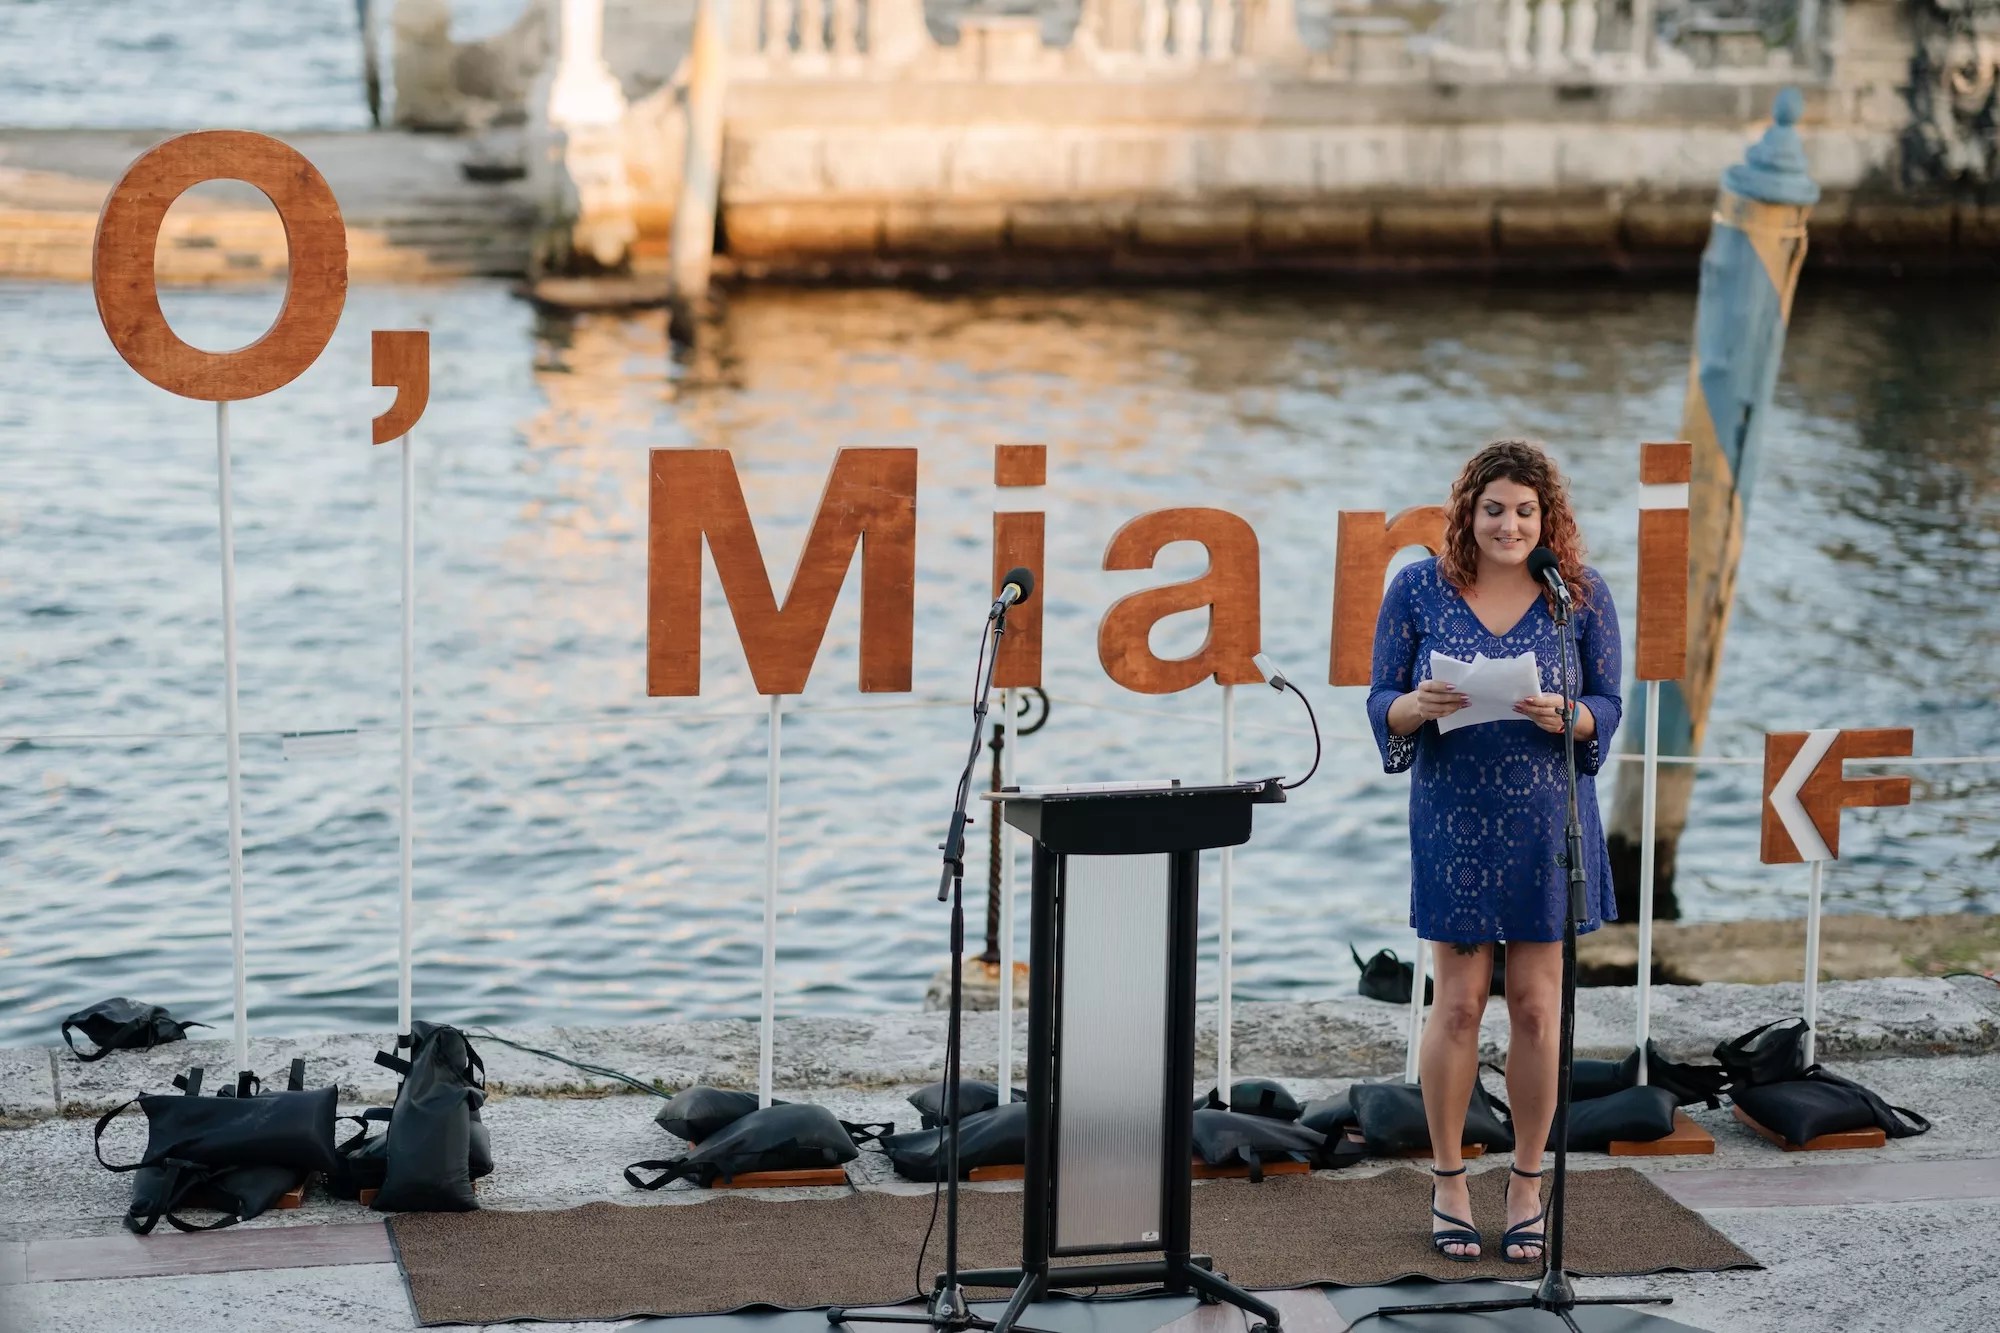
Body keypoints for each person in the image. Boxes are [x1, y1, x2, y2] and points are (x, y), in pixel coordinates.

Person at [1365, 439, 1622, 1264]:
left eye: (1524, 511)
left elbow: (1610, 704)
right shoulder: (1418, 588)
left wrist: (1572, 716)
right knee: (1460, 1003)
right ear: (1467, 514)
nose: (1509, 524)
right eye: (1494, 509)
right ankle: (1448, 1181)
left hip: (1549, 822)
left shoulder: (1578, 593)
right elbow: (1380, 700)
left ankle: (1525, 1183)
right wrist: (1416, 703)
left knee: (1539, 1008)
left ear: (1547, 519)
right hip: (1455, 819)